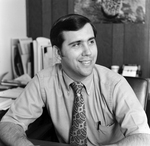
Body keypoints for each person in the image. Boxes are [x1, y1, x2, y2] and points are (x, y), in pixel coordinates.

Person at [0, 14, 150, 146]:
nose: (88, 52)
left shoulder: (115, 84)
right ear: (58, 53)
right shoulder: (43, 81)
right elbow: (9, 123)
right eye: (77, 44)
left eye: (91, 41)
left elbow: (143, 137)